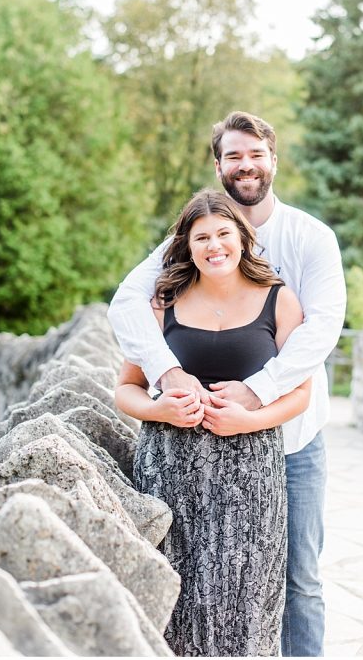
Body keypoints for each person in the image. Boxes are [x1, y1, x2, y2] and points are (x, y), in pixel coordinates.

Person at [108, 111, 346, 656]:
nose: (245, 165)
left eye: (255, 153)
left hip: (291, 441)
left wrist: (256, 393)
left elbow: (321, 333)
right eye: (233, 156)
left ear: (273, 161)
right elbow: (127, 303)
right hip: (186, 455)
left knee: (296, 579)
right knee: (190, 582)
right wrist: (168, 378)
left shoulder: (310, 239)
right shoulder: (186, 244)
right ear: (218, 166)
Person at [116, 190, 309, 655]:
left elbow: (301, 393)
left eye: (224, 233)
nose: (214, 245)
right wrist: (159, 409)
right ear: (186, 245)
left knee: (247, 596)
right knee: (175, 597)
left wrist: (249, 421)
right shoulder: (162, 302)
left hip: (252, 470)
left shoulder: (279, 301)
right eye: (201, 237)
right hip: (169, 470)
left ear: (243, 239)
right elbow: (126, 389)